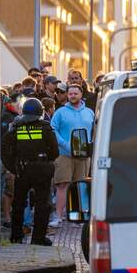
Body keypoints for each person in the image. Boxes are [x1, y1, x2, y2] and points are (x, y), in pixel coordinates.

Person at [1, 98, 58, 245]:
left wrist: (13, 168)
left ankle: (16, 236)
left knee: (19, 204)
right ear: (41, 112)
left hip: (22, 170)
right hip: (42, 170)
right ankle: (38, 238)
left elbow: (5, 149)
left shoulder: (16, 127)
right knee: (42, 204)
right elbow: (55, 151)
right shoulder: (45, 127)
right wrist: (46, 162)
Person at [49, 83, 94, 224]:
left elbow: (94, 131)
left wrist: (90, 146)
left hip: (83, 155)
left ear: (81, 95)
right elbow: (53, 130)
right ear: (67, 95)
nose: (73, 96)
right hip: (64, 155)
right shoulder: (60, 112)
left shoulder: (90, 113)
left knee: (80, 186)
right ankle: (58, 216)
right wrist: (65, 144)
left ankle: (78, 217)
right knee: (62, 185)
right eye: (70, 94)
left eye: (75, 93)